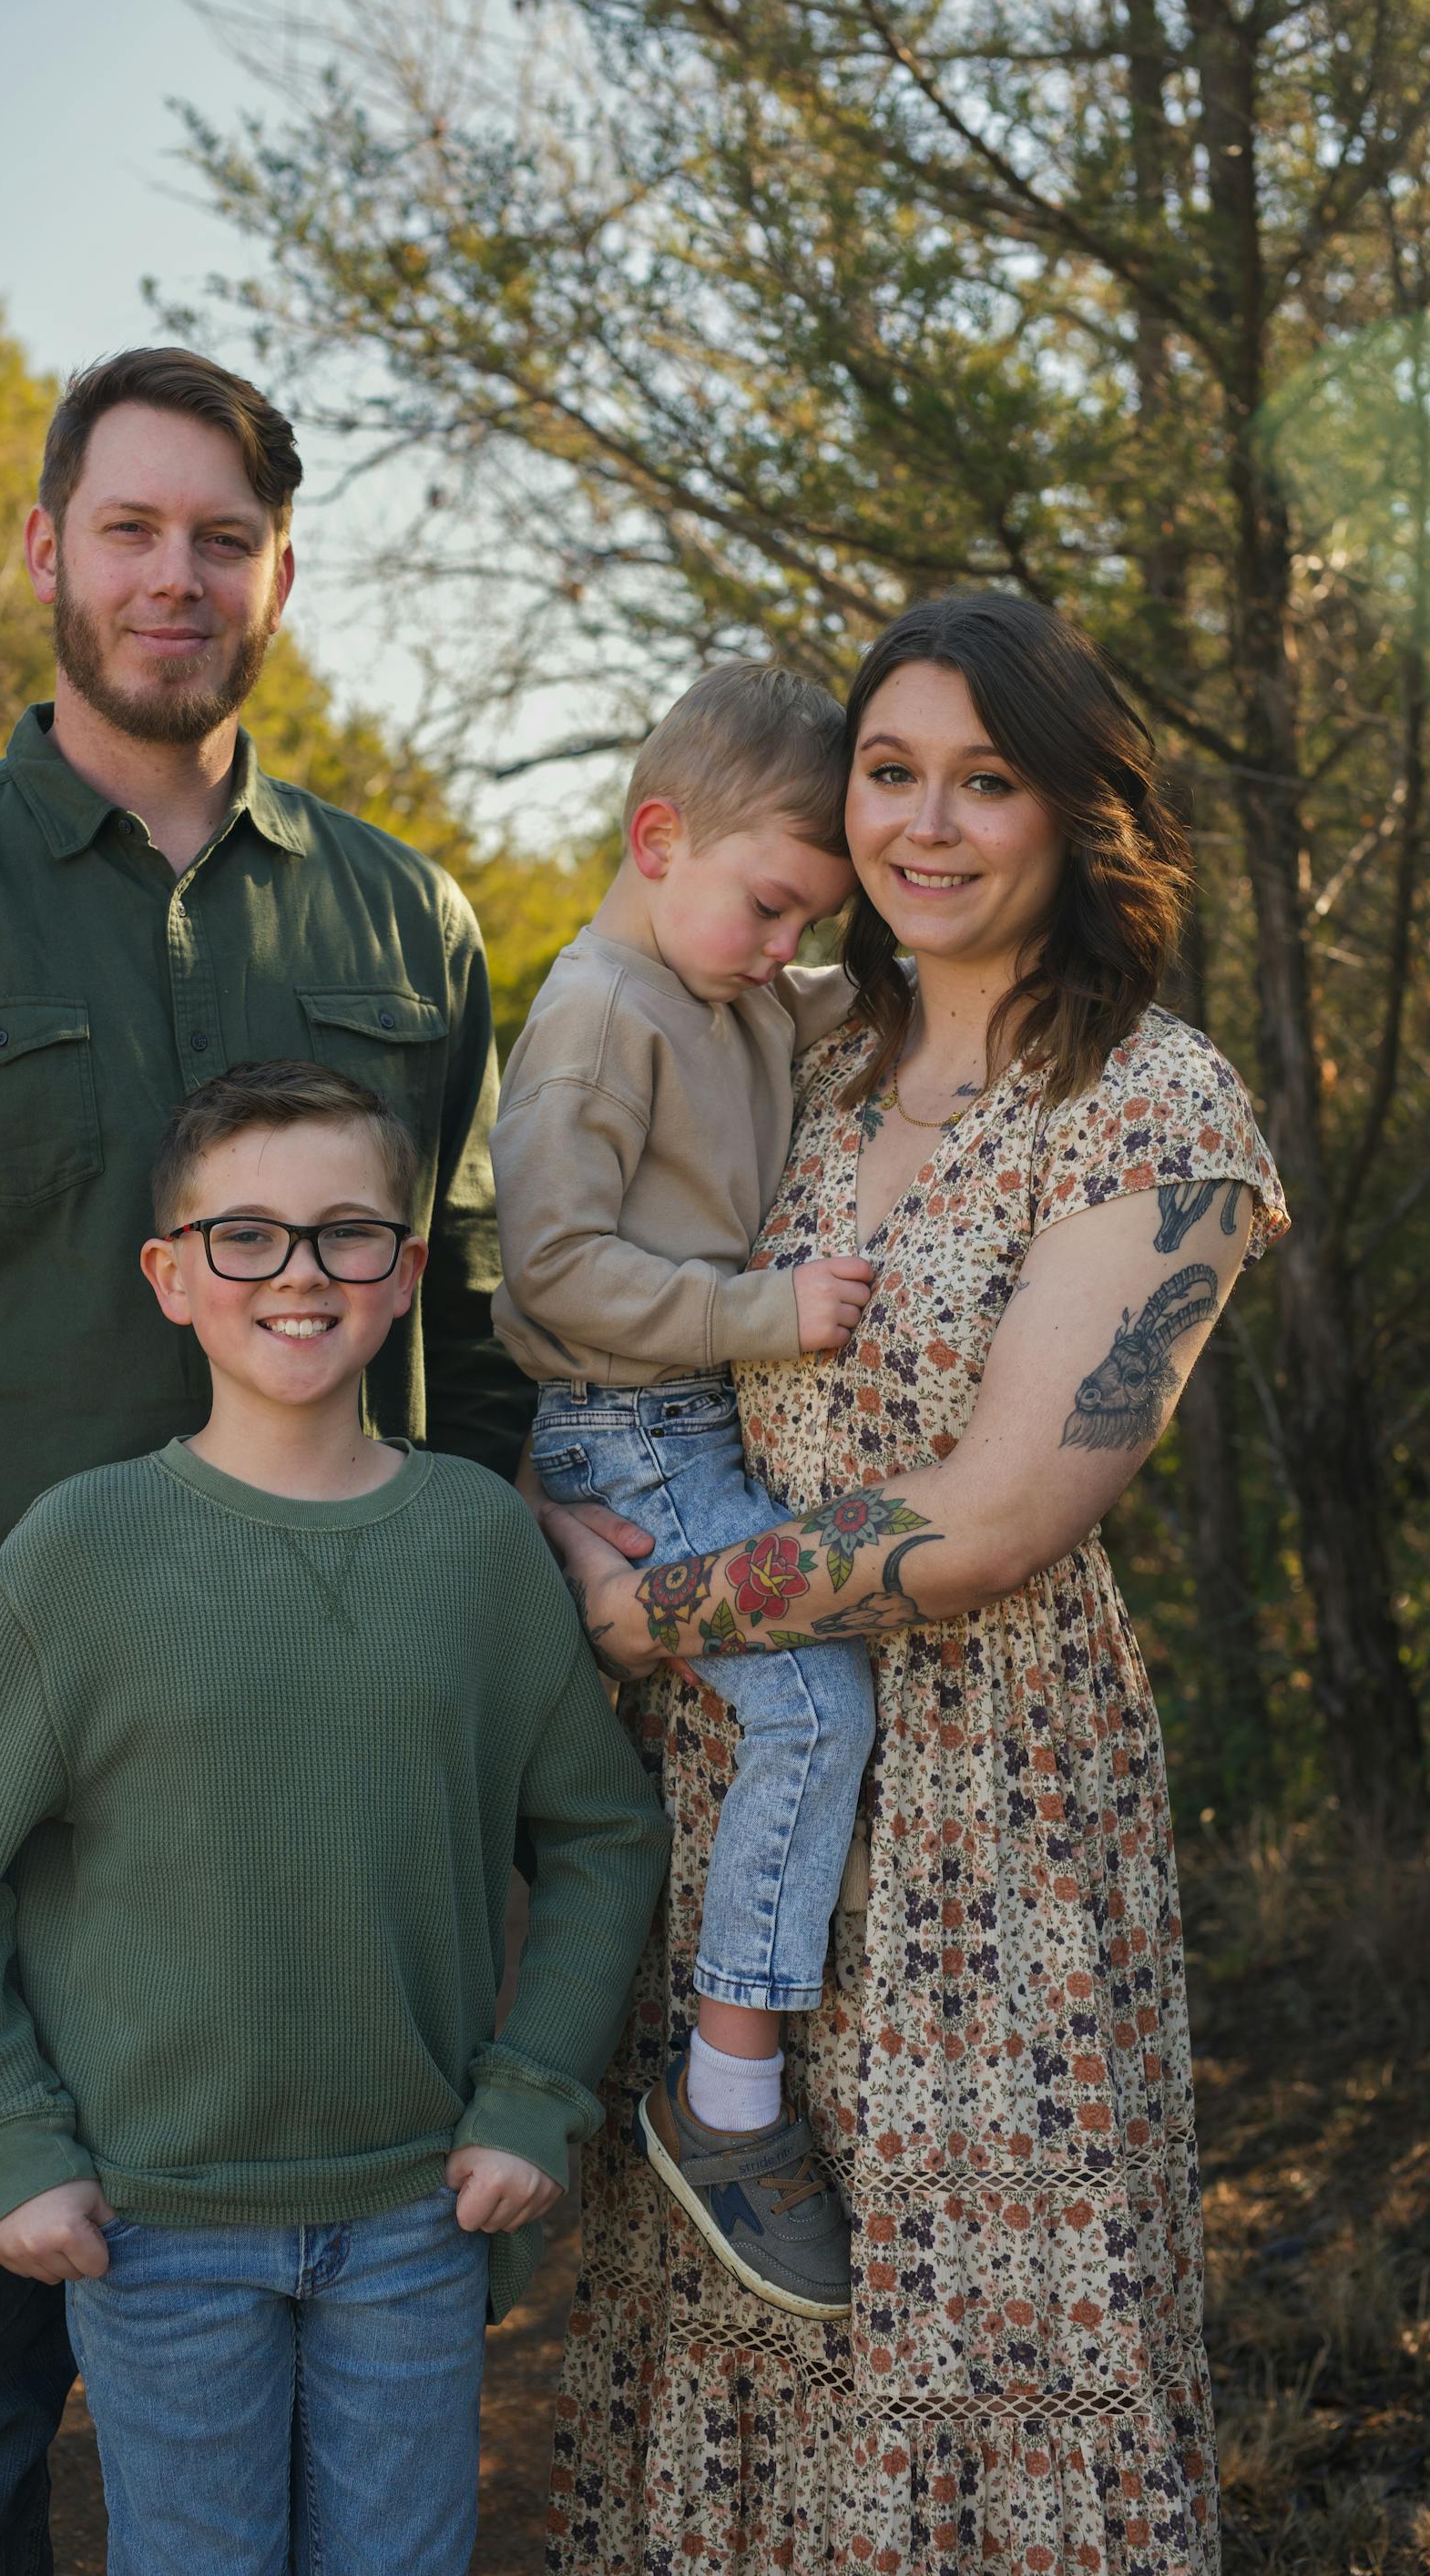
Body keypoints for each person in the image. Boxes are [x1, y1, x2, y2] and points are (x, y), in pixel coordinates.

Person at [0, 347, 538, 2576]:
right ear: (46, 547)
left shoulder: (404, 922)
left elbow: (470, 1337)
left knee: (346, 2336)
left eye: (226, 540)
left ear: (284, 575)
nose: (180, 578)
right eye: (136, 529)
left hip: (349, 1796)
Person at [539, 592, 1289, 2575]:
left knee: (988, 2333)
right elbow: (584, 1281)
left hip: (995, 1827)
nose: (927, 825)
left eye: (988, 779)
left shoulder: (1161, 1107)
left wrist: (644, 1618)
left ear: (1075, 815)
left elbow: (990, 1518)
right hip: (733, 1794)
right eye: (891, 773)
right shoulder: (794, 1041)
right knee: (730, 2355)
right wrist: (546, 1521)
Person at [0, 1059, 668, 2576]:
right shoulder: (82, 1553)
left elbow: (605, 1837)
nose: (298, 1273)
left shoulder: (477, 1547)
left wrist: (534, 2087)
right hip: (158, 2227)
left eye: (348, 1232)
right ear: (173, 1276)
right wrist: (15, 2143)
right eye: (247, 1236)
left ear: (407, 1270)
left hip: (422, 2213)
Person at [493, 661, 879, 2318]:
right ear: (661, 837)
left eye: (808, 920)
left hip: (701, 1423)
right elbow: (556, 1268)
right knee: (810, 1700)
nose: (788, 944)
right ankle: (725, 2096)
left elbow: (863, 993)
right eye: (772, 906)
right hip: (628, 1436)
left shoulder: (731, 989)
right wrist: (757, 1313)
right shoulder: (596, 1021)